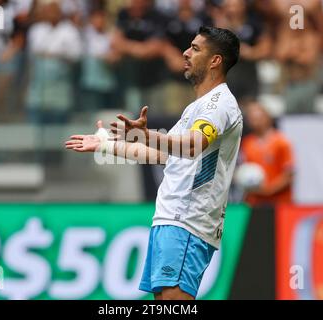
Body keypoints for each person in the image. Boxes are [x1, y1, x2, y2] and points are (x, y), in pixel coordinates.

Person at [66, 26, 243, 300]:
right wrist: (106, 145)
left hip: (187, 221)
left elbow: (194, 145)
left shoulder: (218, 105)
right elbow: (163, 155)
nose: (185, 53)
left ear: (215, 60)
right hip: (170, 220)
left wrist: (145, 134)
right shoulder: (196, 107)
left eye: (195, 48)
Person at [240, 100, 294, 206]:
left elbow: (289, 174)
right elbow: (243, 169)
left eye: (258, 117)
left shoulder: (281, 141)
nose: (255, 121)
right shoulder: (247, 142)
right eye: (251, 118)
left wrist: (268, 190)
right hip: (253, 202)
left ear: (267, 117)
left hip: (278, 203)